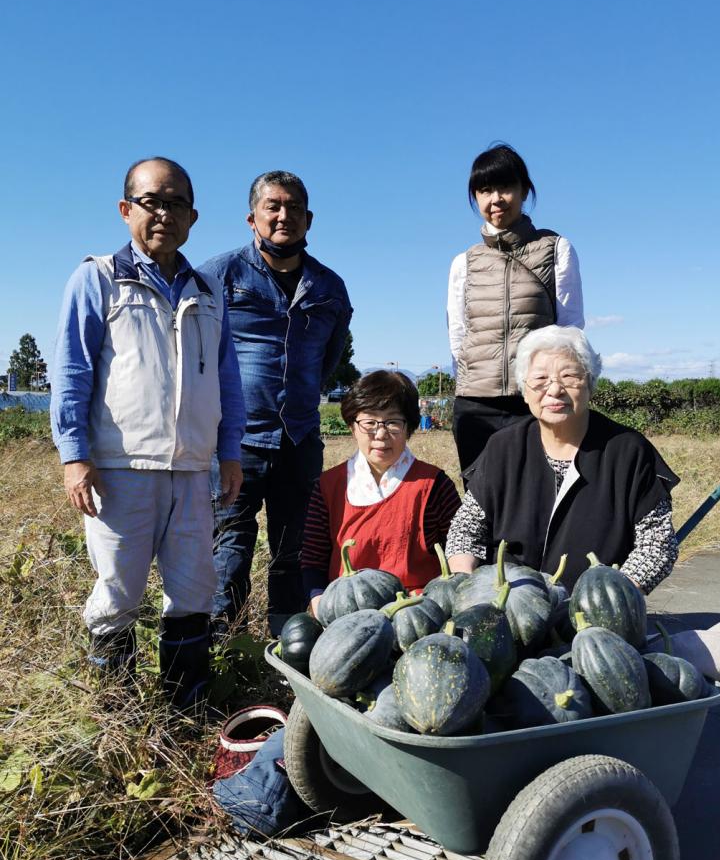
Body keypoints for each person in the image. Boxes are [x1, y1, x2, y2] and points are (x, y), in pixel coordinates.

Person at [51, 157, 246, 708]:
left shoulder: (208, 289)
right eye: (151, 201)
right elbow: (72, 371)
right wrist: (74, 454)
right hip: (120, 469)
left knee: (193, 591)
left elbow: (226, 380)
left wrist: (227, 453)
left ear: (193, 215)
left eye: (176, 203)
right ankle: (118, 714)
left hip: (191, 471)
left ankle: (187, 705)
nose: (163, 213)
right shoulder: (98, 278)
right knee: (117, 593)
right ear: (125, 209)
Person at [201, 171, 352, 637]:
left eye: (293, 208)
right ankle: (224, 645)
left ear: (309, 219)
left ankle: (288, 648)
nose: (283, 215)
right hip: (234, 442)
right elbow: (197, 355)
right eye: (273, 206)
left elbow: (330, 358)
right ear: (253, 218)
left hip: (299, 438)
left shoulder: (329, 287)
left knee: (295, 550)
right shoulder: (219, 276)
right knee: (229, 548)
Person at [446, 326, 679, 595]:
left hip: (592, 616)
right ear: (524, 390)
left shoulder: (629, 452)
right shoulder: (503, 448)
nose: (554, 389)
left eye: (569, 376)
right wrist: (465, 585)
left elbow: (658, 545)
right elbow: (466, 529)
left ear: (590, 384)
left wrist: (611, 598)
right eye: (541, 379)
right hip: (507, 603)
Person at [447, 143, 585, 479]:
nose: (495, 199)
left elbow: (571, 330)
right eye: (484, 190)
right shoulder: (464, 262)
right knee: (481, 506)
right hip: (476, 402)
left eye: (505, 187)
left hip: (535, 399)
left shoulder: (556, 249)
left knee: (537, 504)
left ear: (524, 190)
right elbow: (458, 335)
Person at [301, 371, 462, 618]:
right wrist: (322, 607)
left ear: (409, 426)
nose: (380, 434)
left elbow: (457, 554)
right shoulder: (328, 485)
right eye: (370, 422)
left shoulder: (434, 485)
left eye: (392, 422)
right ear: (352, 426)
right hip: (346, 615)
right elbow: (314, 560)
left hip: (417, 613)